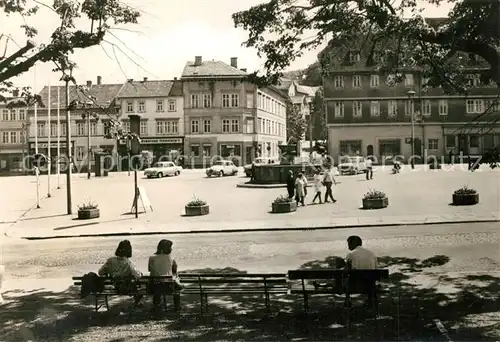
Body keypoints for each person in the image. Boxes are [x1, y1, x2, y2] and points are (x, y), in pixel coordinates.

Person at [99, 240, 143, 306]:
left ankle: (136, 299)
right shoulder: (128, 263)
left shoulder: (110, 260)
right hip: (125, 287)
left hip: (115, 286)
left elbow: (100, 272)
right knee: (135, 284)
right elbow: (137, 275)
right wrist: (140, 274)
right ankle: (137, 299)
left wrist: (107, 272)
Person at [148, 239, 181, 312]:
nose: (171, 249)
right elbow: (174, 271)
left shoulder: (151, 257)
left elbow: (150, 270)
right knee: (176, 286)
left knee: (157, 281)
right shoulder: (171, 258)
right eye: (170, 247)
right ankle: (177, 306)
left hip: (154, 287)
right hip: (168, 287)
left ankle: (156, 305)